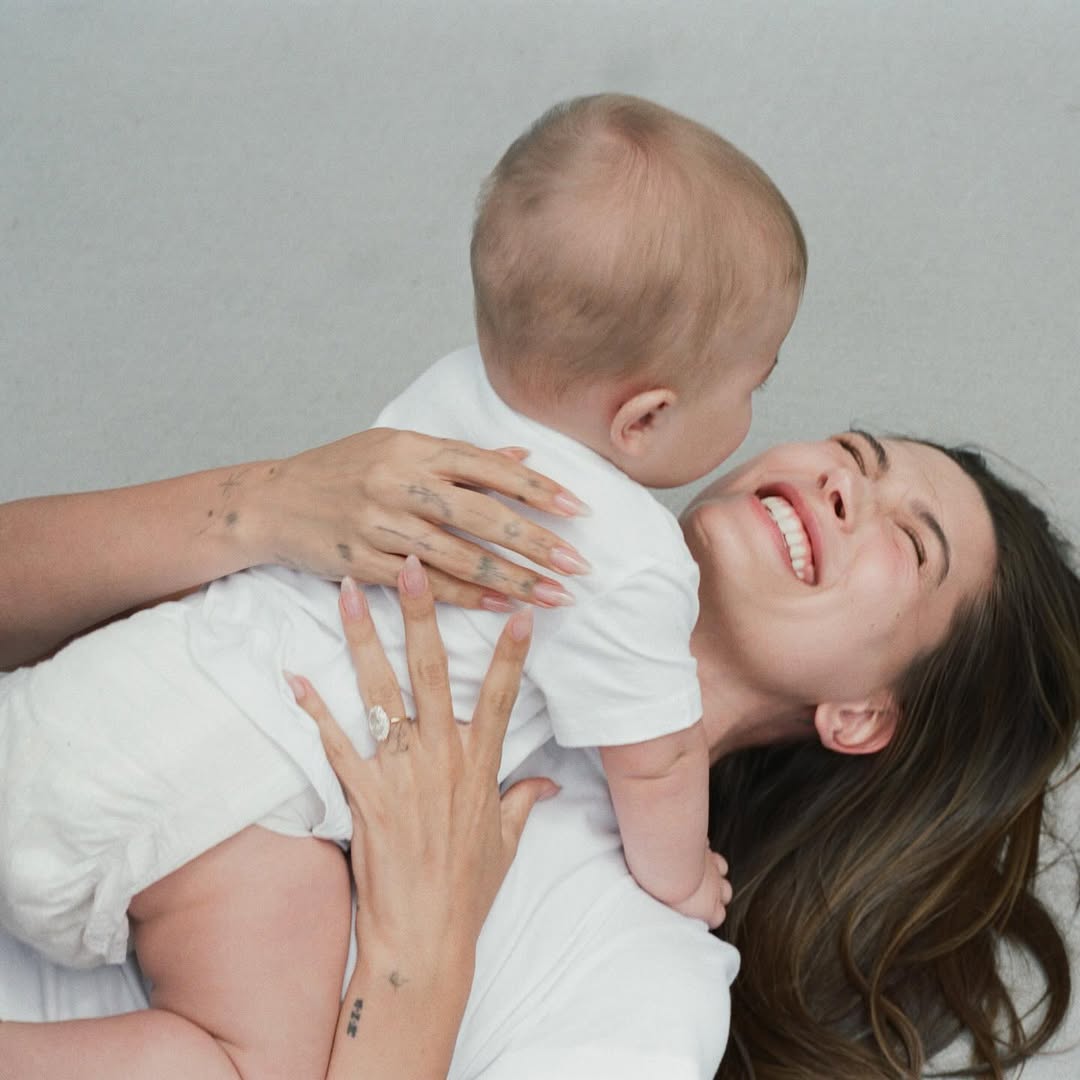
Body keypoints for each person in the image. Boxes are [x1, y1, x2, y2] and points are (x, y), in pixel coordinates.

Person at [1, 90, 806, 1011]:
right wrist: (684, 878)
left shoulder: (452, 390)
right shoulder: (629, 555)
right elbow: (656, 761)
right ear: (645, 419)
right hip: (229, 795)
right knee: (251, 1055)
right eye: (754, 384)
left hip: (107, 687)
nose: (755, 414)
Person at [2, 426, 1078, 1079]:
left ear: (862, 716)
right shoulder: (471, 530)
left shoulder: (648, 986)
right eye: (853, 455)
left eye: (910, 542)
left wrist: (417, 957)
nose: (844, 484)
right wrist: (261, 501)